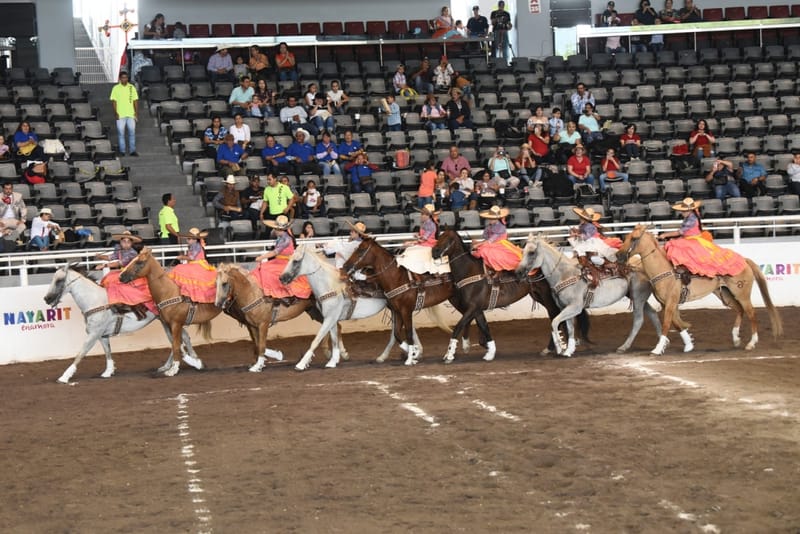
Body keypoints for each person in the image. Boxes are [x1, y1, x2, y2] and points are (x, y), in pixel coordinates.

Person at [659, 198, 746, 278]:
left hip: (693, 240)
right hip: (689, 239)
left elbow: (679, 232)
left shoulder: (691, 219)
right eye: (682, 211)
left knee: (674, 247)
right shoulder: (691, 216)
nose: (682, 213)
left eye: (684, 211)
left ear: (689, 210)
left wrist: (665, 235)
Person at [253, 215, 311, 300]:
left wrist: (261, 257)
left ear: (279, 229)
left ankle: (281, 294)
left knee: (266, 270)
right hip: (279, 260)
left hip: (285, 262)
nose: (274, 230)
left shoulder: (286, 239)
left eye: (275, 228)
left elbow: (275, 252)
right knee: (265, 269)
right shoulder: (282, 237)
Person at [96, 231, 153, 314]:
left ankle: (122, 302)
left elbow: (120, 263)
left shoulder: (132, 252)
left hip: (132, 273)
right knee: (108, 278)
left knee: (113, 281)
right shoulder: (119, 250)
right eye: (124, 241)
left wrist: (104, 266)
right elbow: (110, 257)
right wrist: (100, 256)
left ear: (131, 243)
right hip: (123, 272)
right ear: (120, 242)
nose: (126, 244)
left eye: (128, 242)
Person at [569, 207, 621, 287]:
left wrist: (577, 234)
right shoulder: (583, 225)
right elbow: (582, 233)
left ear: (584, 218)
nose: (580, 218)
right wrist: (576, 231)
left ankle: (605, 264)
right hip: (586, 242)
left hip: (592, 242)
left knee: (592, 256)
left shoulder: (590, 226)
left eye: (581, 217)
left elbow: (587, 236)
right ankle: (583, 264)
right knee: (579, 250)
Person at [396, 204, 449, 276]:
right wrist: (418, 237)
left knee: (410, 252)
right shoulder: (427, 223)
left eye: (423, 214)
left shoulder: (430, 224)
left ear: (428, 215)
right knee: (408, 250)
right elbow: (423, 237)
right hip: (425, 243)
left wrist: (411, 242)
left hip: (428, 245)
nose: (421, 216)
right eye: (422, 214)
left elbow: (424, 239)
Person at [170, 228, 217, 303]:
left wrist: (182, 257)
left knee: (179, 269)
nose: (187, 240)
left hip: (198, 265)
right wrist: (183, 256)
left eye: (189, 239)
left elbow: (192, 258)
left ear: (195, 239)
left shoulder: (196, 246)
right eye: (187, 239)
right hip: (194, 264)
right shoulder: (194, 245)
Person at [471, 205, 522, 271]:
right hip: (492, 243)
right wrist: (477, 242)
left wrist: (478, 244)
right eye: (490, 218)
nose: (491, 220)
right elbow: (487, 239)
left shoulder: (500, 227)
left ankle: (493, 269)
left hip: (500, 244)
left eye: (493, 218)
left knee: (483, 250)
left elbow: (490, 241)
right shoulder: (490, 226)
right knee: (478, 247)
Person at [109, 71, 139, 157]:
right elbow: (114, 102)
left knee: (132, 133)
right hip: (120, 115)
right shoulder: (115, 88)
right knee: (121, 134)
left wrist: (136, 113)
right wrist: (115, 113)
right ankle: (122, 151)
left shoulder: (132, 87)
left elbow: (135, 101)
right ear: (120, 79)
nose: (124, 79)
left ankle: (132, 151)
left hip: (131, 114)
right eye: (123, 77)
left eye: (126, 77)